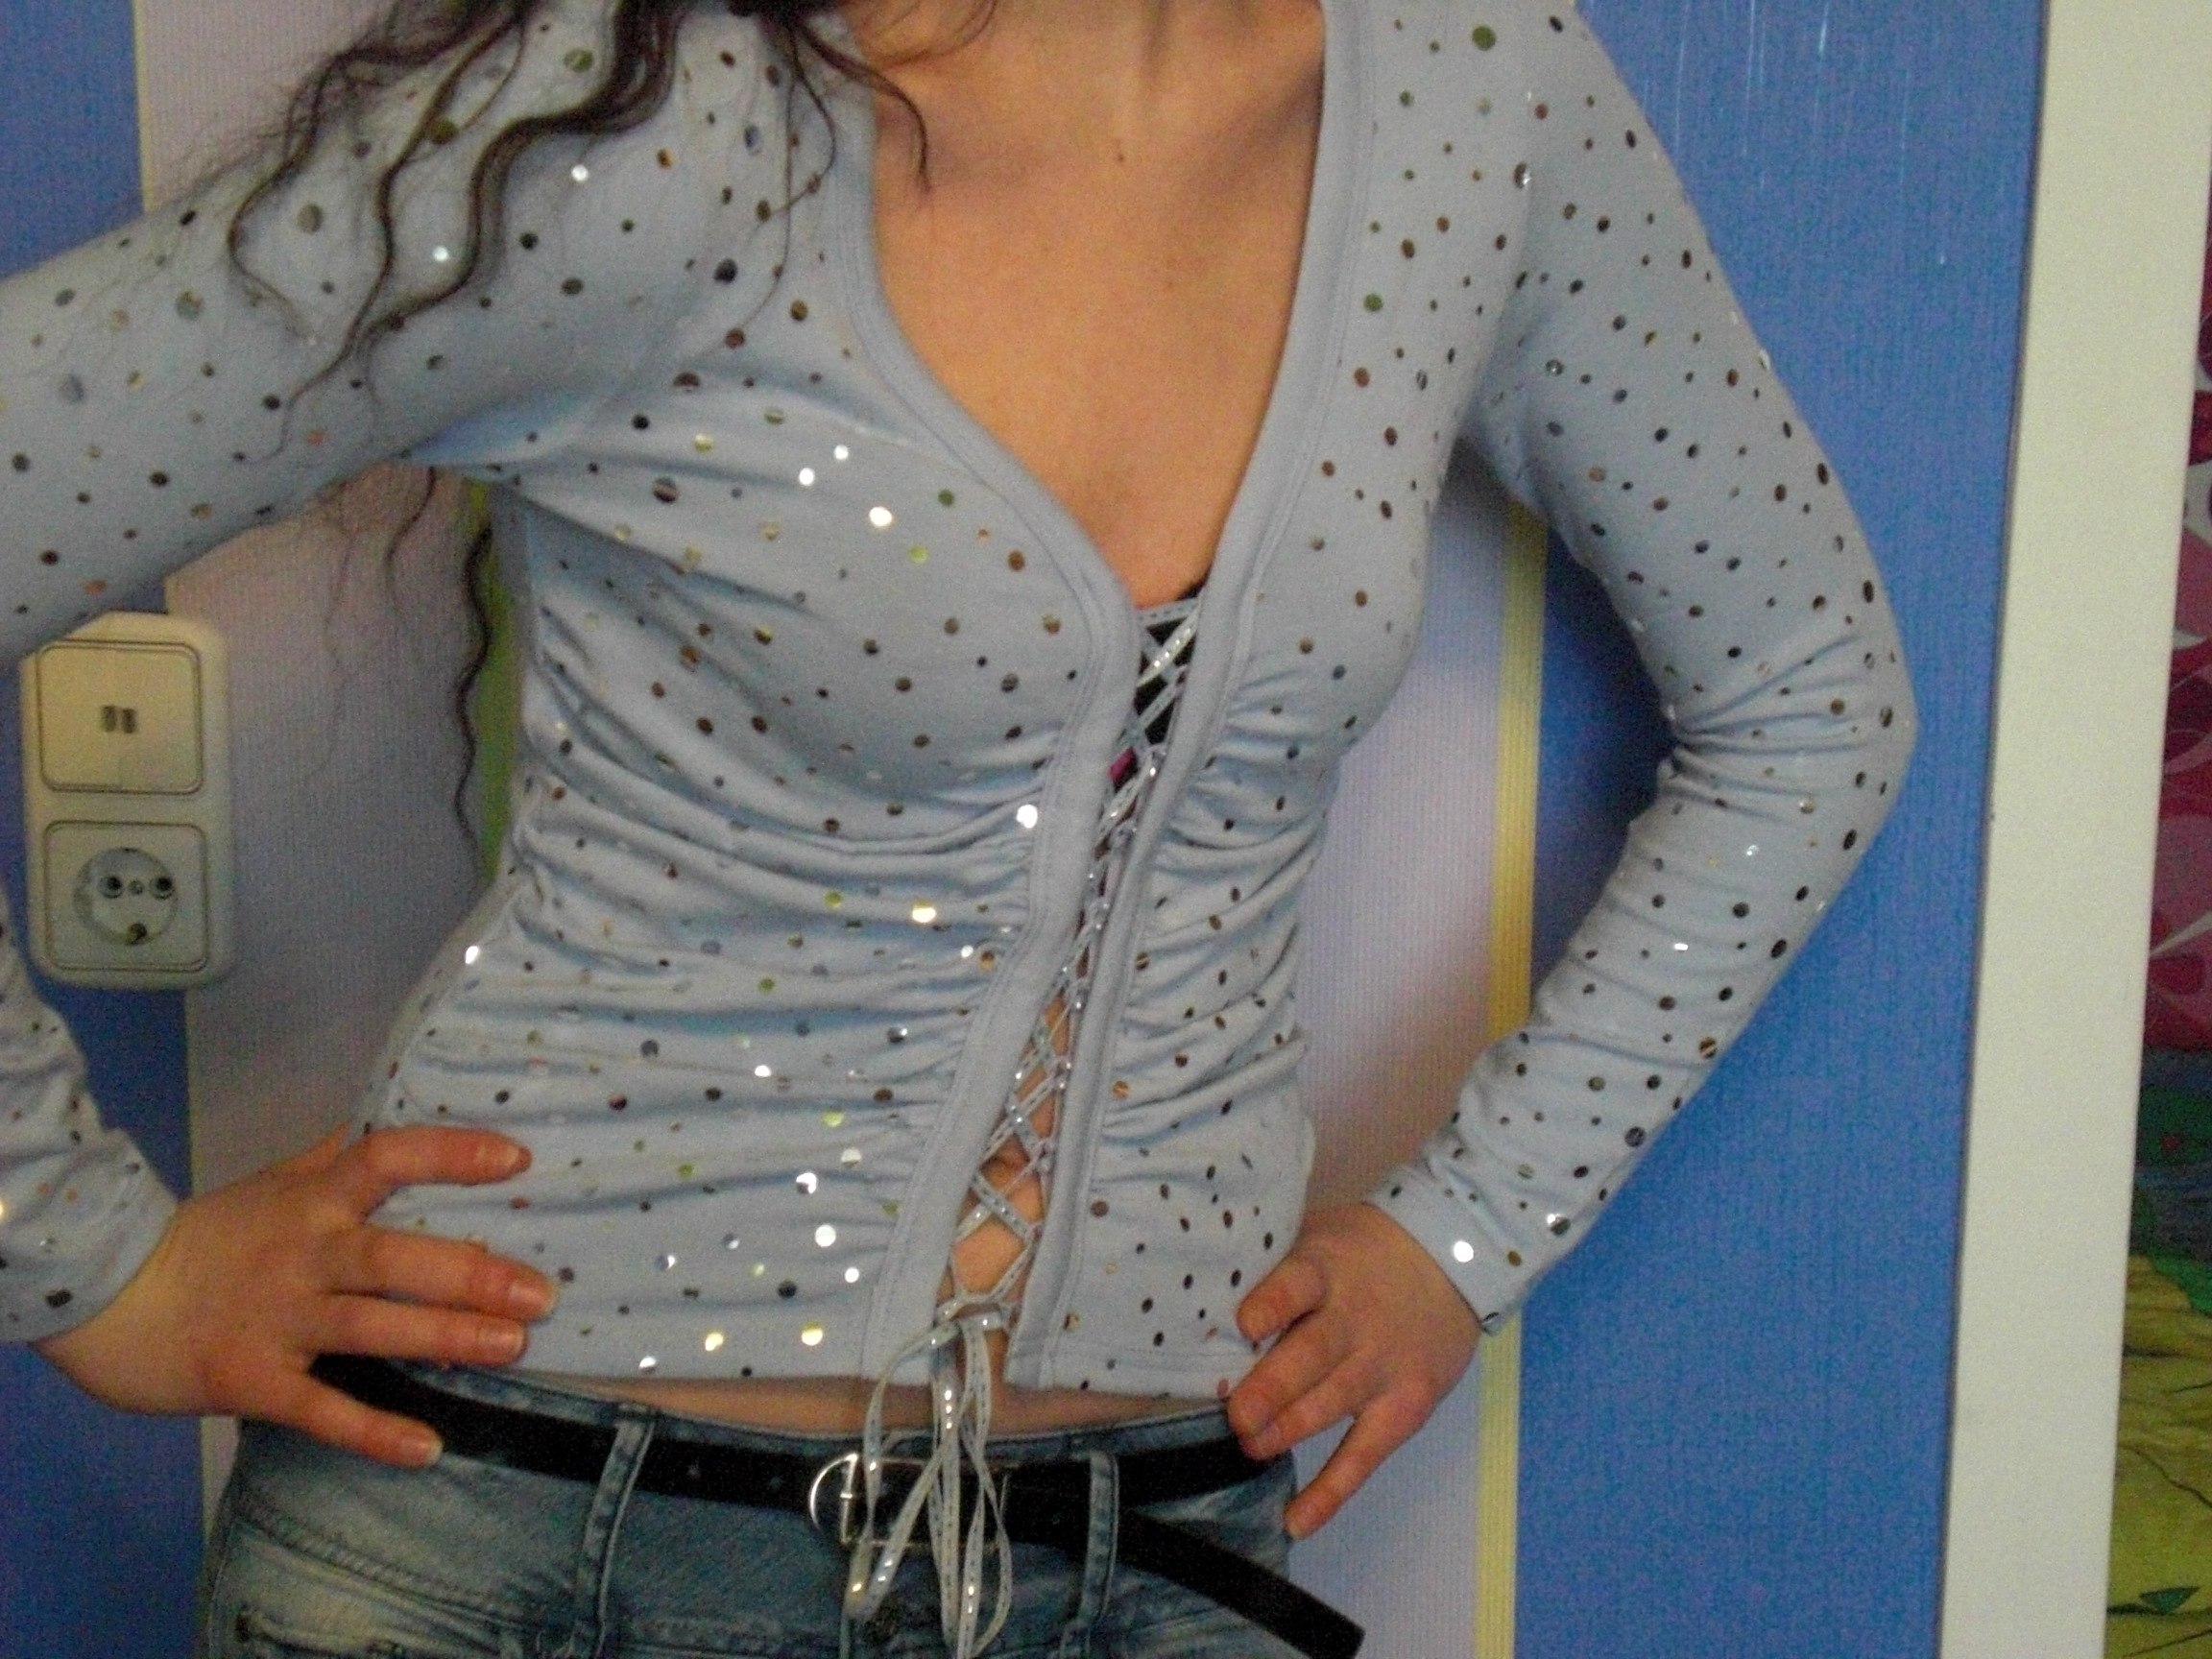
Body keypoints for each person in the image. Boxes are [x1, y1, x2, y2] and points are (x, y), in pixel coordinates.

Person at [0, 0, 1915, 1654]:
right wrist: (95, 1262)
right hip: (519, 1533)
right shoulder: (633, 127)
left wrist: (1471, 1232)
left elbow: (1814, 699)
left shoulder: (1476, 97)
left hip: (1150, 1549)